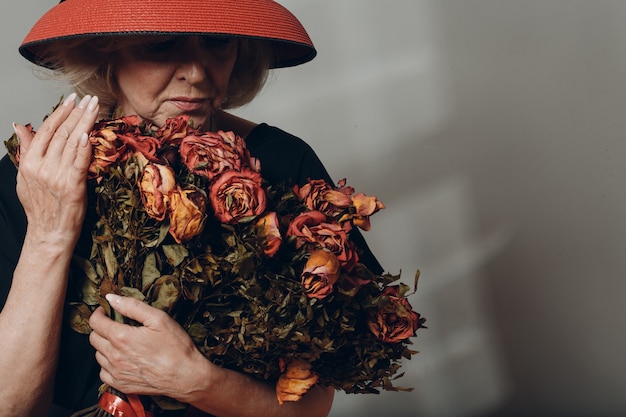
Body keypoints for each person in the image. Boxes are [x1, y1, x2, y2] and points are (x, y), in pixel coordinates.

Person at [0, 0, 384, 416]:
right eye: (163, 45)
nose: (197, 72)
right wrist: (49, 236)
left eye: (218, 43)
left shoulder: (283, 163)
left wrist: (196, 381)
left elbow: (311, 408)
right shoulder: (37, 173)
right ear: (104, 48)